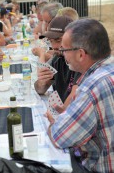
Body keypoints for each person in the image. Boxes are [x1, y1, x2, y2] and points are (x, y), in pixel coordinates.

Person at [46, 18, 114, 173]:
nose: (62, 55)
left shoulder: (91, 88)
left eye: (64, 50)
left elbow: (59, 137)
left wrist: (53, 123)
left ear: (81, 54)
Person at [33, 16, 81, 104]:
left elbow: (75, 101)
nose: (54, 46)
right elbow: (40, 89)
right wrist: (42, 82)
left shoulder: (81, 63)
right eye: (51, 41)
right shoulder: (57, 58)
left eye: (58, 40)